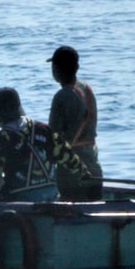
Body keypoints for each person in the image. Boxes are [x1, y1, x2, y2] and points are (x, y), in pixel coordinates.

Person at [0, 87, 90, 200]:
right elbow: (69, 159)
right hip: (51, 195)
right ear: (19, 107)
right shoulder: (45, 130)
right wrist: (84, 173)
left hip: (20, 199)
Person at [47, 45, 103, 201]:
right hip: (93, 165)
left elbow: (52, 137)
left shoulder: (62, 96)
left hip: (71, 171)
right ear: (76, 67)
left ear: (55, 70)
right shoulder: (87, 88)